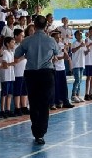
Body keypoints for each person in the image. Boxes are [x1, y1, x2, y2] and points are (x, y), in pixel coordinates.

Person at [14, 15, 59, 145]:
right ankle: (41, 133)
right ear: (46, 26)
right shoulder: (51, 40)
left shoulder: (27, 40)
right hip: (46, 73)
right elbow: (57, 52)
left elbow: (17, 54)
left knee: (33, 102)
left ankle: (36, 132)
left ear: (34, 25)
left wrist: (28, 54)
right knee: (44, 104)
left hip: (31, 74)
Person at [70, 30, 86, 103]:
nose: (80, 36)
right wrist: (80, 46)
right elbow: (73, 51)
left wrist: (87, 51)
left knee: (80, 81)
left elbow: (85, 53)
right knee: (77, 80)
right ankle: (73, 95)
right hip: (76, 64)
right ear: (75, 36)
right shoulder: (74, 43)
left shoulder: (83, 43)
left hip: (82, 64)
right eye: (79, 34)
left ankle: (77, 95)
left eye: (81, 34)